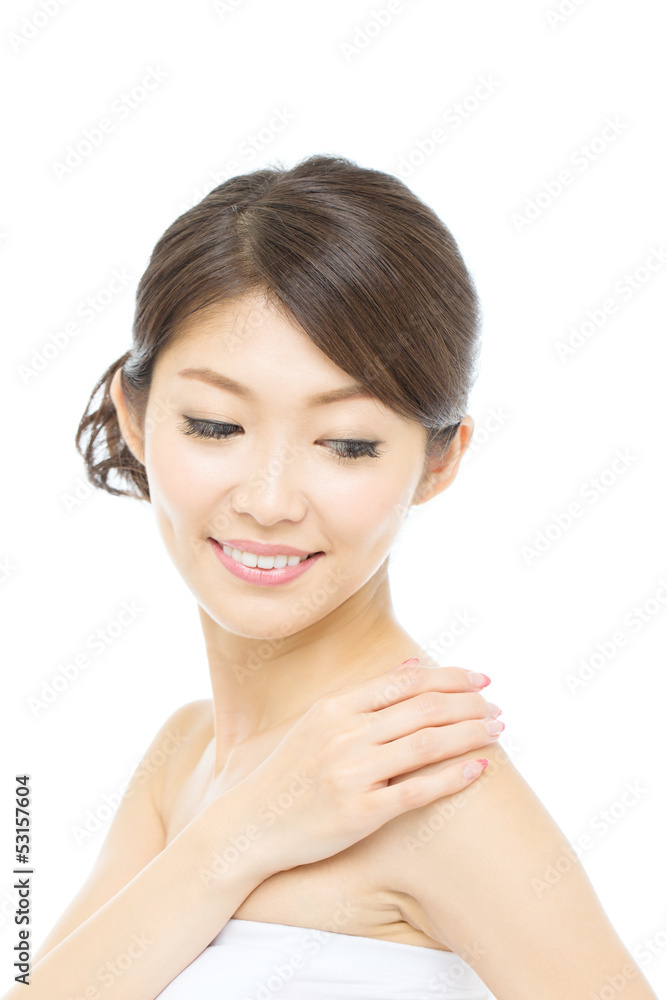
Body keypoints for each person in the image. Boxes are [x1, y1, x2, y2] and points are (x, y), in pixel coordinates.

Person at [6, 154, 657, 1000]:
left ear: (438, 461)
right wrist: (237, 838)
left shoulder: (425, 783)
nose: (269, 501)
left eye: (346, 444)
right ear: (134, 416)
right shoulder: (182, 758)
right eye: (214, 425)